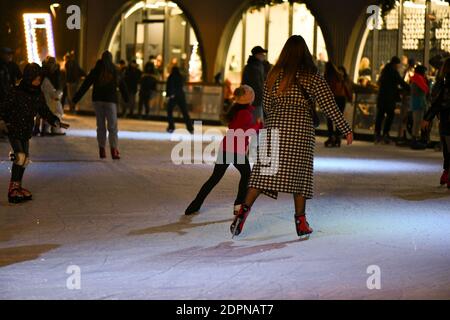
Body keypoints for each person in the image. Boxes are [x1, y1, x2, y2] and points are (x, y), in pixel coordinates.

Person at [230, 35, 353, 238]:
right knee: (301, 177)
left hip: (274, 130)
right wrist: (345, 129)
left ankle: (243, 211)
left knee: (261, 175)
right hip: (300, 131)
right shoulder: (312, 76)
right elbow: (329, 105)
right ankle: (301, 222)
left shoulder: (273, 74)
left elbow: (267, 105)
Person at [185, 85, 263, 216]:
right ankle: (239, 205)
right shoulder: (244, 113)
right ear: (248, 99)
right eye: (251, 94)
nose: (253, 96)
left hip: (227, 148)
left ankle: (195, 205)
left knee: (215, 178)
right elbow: (242, 131)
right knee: (246, 175)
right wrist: (258, 125)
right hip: (235, 150)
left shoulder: (238, 110)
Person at [0, 63, 69, 203]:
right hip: (13, 127)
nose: (38, 82)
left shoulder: (37, 94)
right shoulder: (16, 92)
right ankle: (12, 189)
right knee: (19, 156)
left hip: (25, 129)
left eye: (39, 79)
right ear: (28, 77)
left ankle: (18, 186)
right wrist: (2, 121)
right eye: (35, 79)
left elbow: (44, 111)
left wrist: (56, 121)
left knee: (25, 159)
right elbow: (4, 108)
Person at [73, 51, 129, 160]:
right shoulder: (114, 70)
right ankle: (114, 150)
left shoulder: (96, 70)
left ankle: (102, 149)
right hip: (110, 100)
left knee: (101, 125)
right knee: (112, 126)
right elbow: (122, 85)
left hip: (97, 100)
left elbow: (86, 84)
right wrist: (126, 98)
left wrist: (76, 98)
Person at [422, 58, 450, 189]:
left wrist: (428, 117)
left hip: (445, 121)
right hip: (446, 121)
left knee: (447, 148)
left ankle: (447, 173)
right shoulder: (444, 85)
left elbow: (437, 102)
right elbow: (439, 102)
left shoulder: (442, 83)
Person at [374, 56, 410, 144]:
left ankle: (377, 134)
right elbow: (400, 81)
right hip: (389, 98)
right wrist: (409, 88)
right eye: (398, 64)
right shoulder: (393, 72)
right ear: (395, 64)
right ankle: (385, 133)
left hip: (382, 98)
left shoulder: (384, 71)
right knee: (390, 116)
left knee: (380, 116)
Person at [323, 62, 352, 147]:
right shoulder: (340, 76)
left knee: (329, 118)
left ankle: (331, 136)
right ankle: (338, 137)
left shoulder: (327, 76)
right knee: (339, 118)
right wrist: (349, 97)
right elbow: (346, 87)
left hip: (331, 98)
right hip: (341, 98)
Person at [39, 56, 65, 136]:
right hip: (49, 94)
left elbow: (59, 84)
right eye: (50, 63)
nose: (52, 65)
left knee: (54, 112)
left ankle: (51, 129)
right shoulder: (46, 73)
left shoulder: (55, 72)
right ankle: (49, 129)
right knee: (52, 111)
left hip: (53, 94)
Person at [242, 46, 267, 122]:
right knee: (257, 122)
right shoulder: (255, 67)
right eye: (262, 54)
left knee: (254, 122)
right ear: (257, 55)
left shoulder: (253, 66)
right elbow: (257, 86)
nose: (264, 55)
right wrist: (262, 98)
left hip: (251, 100)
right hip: (255, 101)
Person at [166, 66, 193, 133]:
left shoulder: (171, 77)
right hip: (181, 96)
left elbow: (170, 86)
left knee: (169, 111)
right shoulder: (180, 77)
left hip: (174, 96)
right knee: (184, 112)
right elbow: (181, 85)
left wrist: (170, 94)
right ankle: (190, 128)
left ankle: (171, 126)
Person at [409, 65, 429, 149]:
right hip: (419, 103)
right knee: (418, 122)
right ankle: (416, 140)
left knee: (417, 122)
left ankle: (416, 139)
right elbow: (426, 89)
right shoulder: (418, 79)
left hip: (416, 103)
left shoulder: (415, 78)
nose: (425, 74)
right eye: (424, 72)